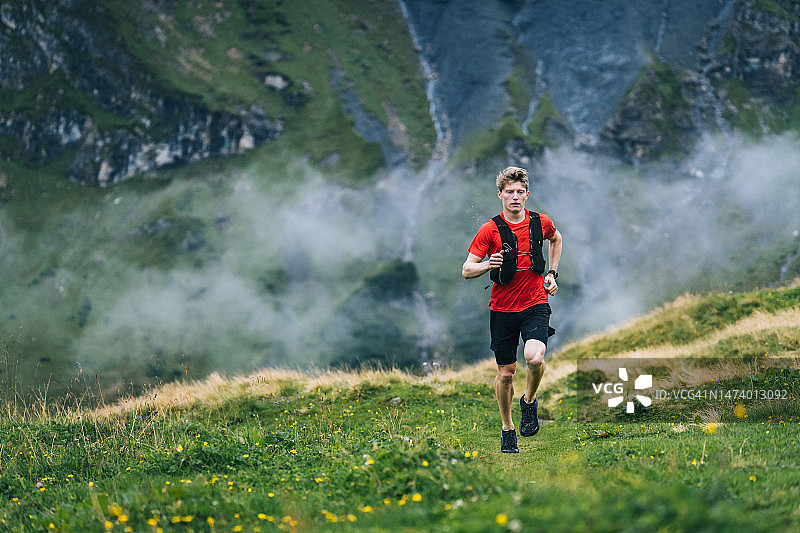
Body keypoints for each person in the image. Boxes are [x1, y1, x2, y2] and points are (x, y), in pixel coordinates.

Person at [462, 166, 562, 453]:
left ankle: (529, 401)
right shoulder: (490, 229)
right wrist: (486, 265)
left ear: (527, 194)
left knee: (534, 357)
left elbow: (556, 239)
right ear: (500, 195)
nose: (515, 197)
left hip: (535, 303)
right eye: (510, 192)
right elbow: (467, 270)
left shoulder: (541, 222)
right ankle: (507, 428)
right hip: (503, 309)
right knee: (506, 373)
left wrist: (552, 273)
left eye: (520, 192)